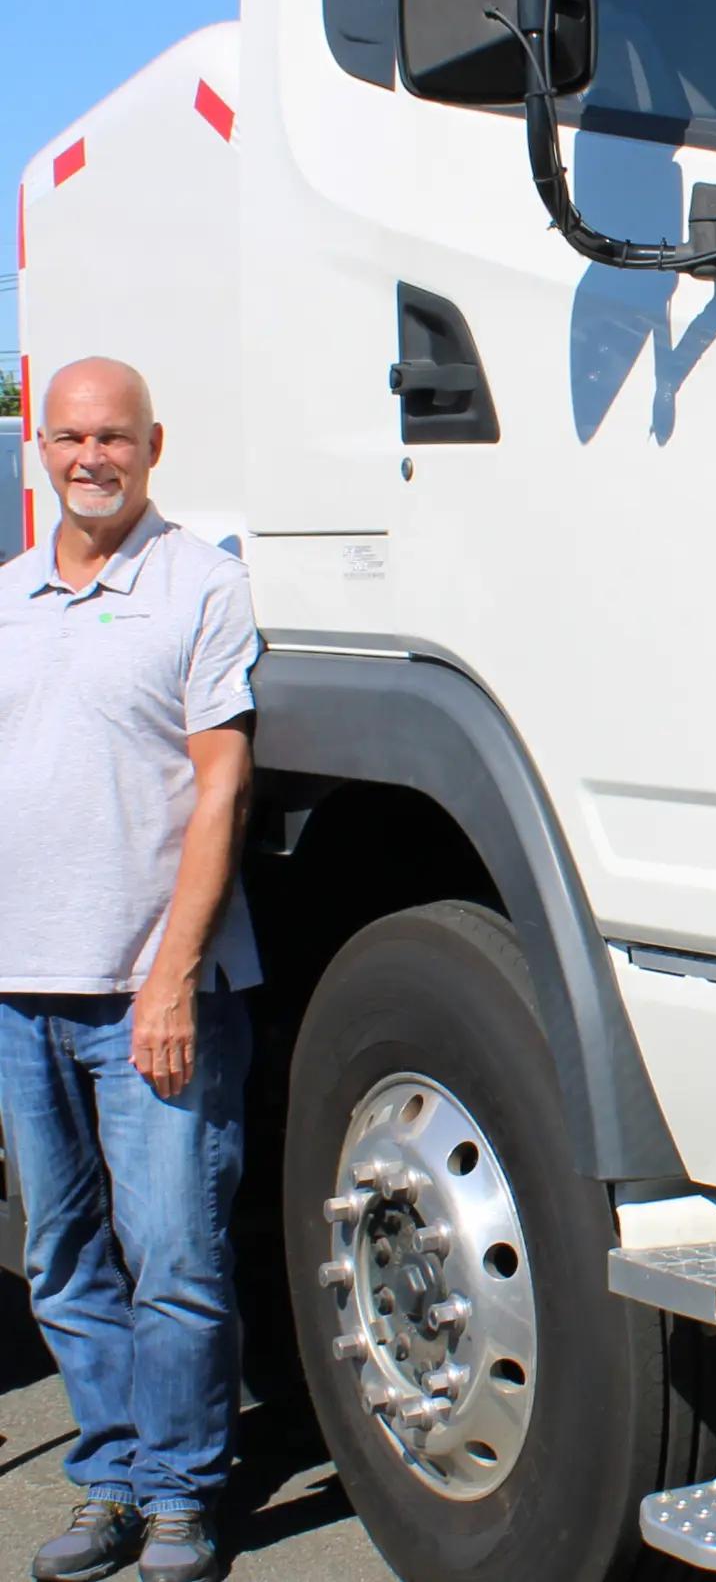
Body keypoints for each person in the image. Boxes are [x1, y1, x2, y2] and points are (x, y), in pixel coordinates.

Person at [0, 360, 259, 1582]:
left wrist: (171, 975)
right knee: (63, 1257)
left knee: (178, 1259)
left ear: (154, 444)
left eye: (113, 436)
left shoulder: (200, 587)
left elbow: (222, 785)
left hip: (152, 994)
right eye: (67, 436)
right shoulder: (9, 596)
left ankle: (179, 1498)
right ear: (37, 446)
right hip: (19, 990)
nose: (88, 456)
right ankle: (107, 1479)